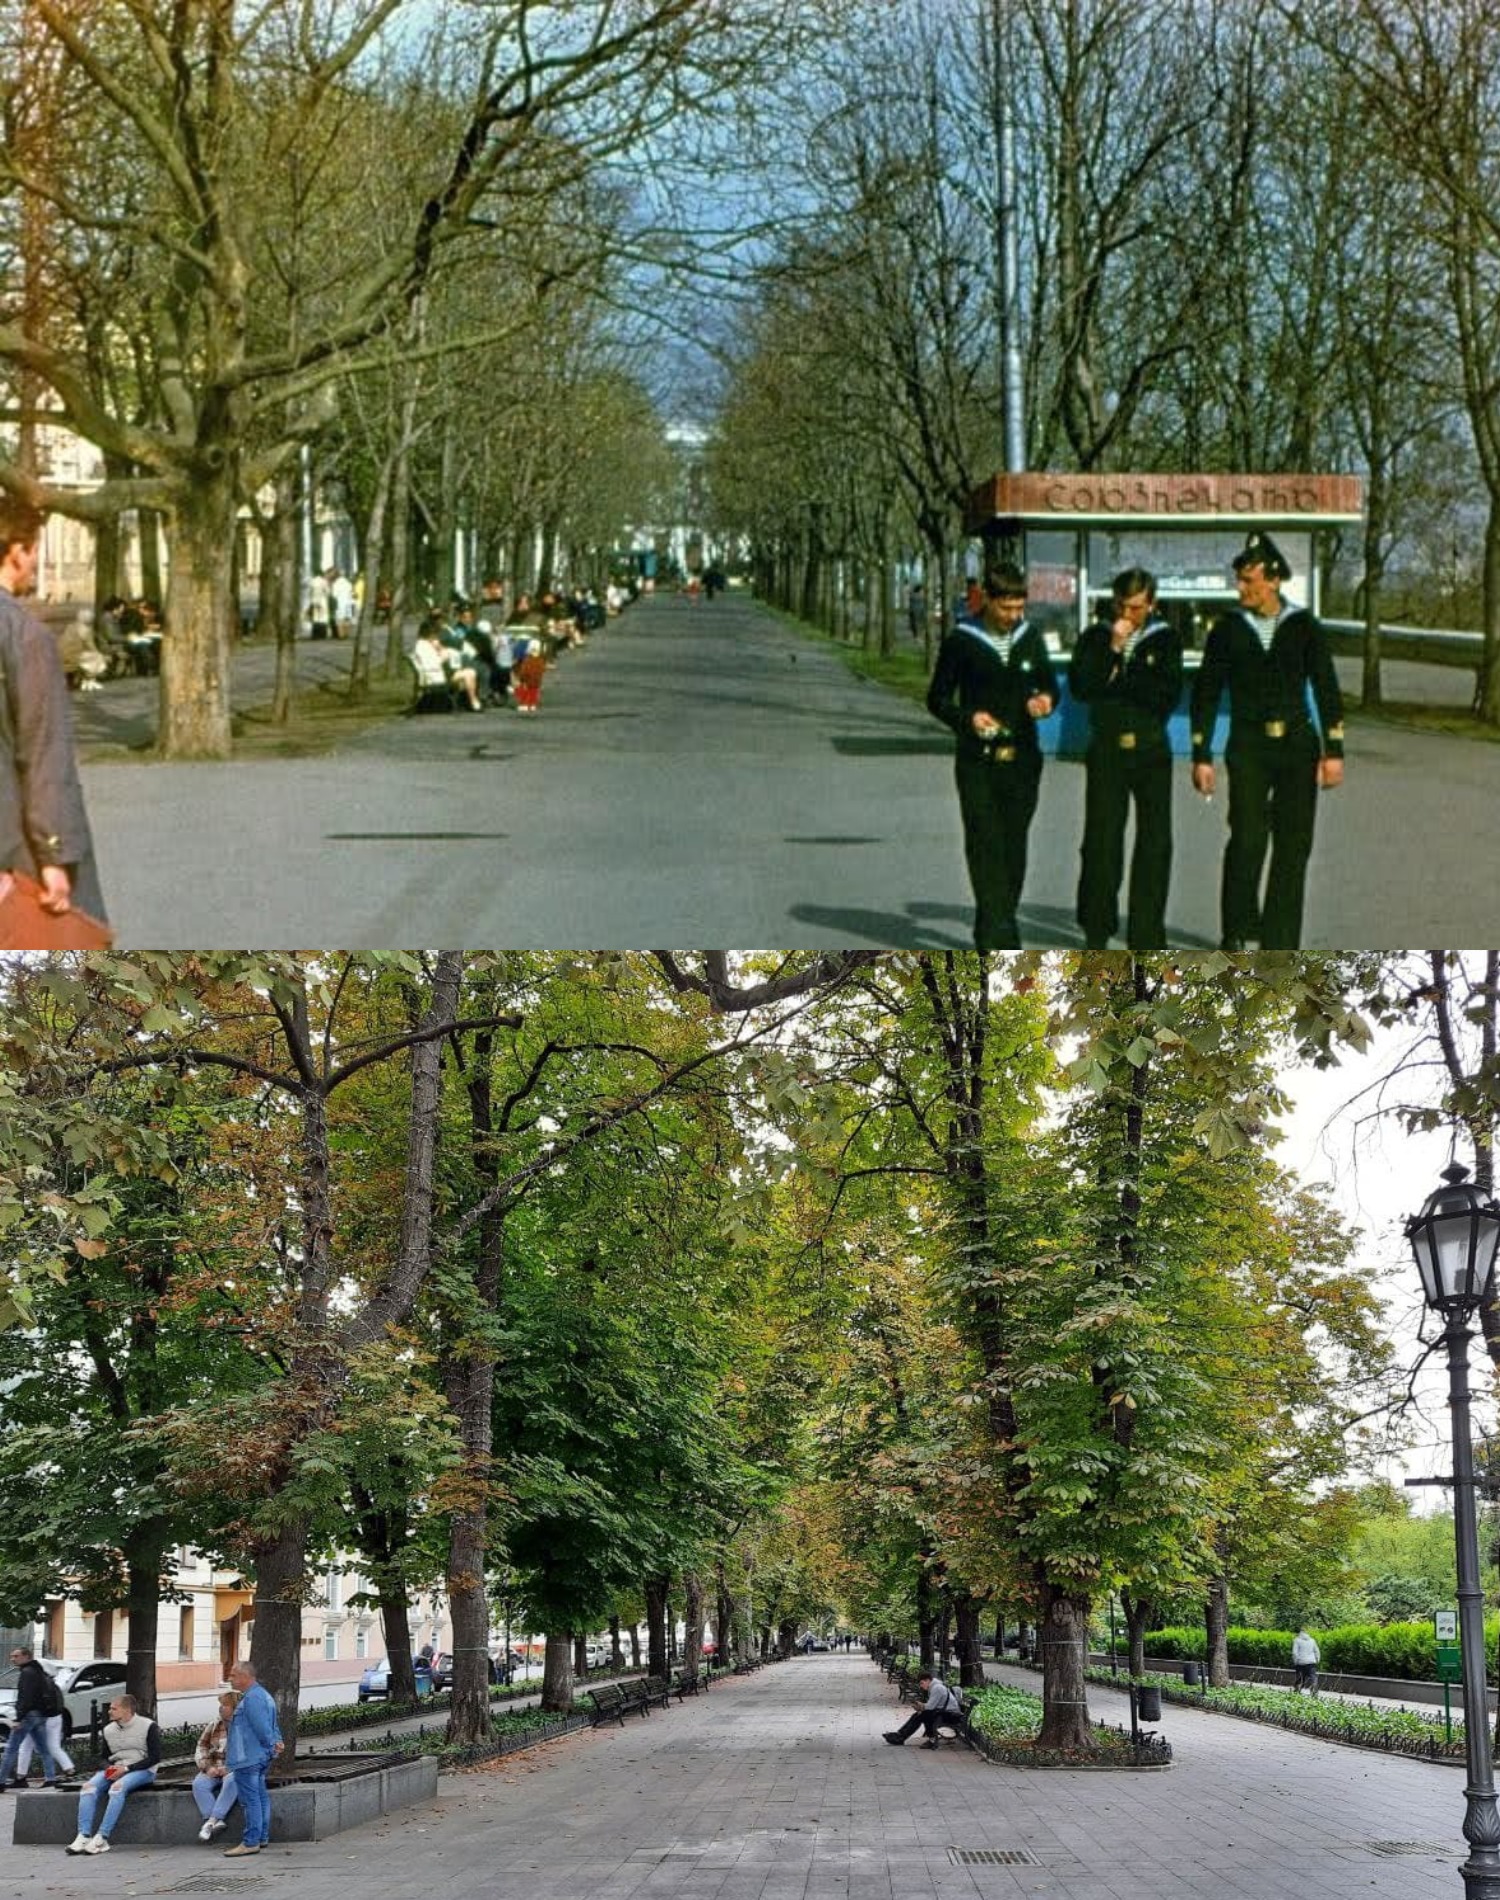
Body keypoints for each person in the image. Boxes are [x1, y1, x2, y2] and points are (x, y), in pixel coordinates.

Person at [1189, 530, 1344, 949]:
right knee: (1248, 839)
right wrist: (1201, 754)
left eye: (1249, 581)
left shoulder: (1303, 626)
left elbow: (1326, 688)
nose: (1242, 589)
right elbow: (1205, 692)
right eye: (1239, 581)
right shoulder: (1227, 630)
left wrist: (1334, 751)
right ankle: (1237, 930)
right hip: (1249, 749)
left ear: (1273, 581)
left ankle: (1280, 941)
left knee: (1293, 847)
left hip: (1296, 747)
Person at [926, 562, 1057, 949]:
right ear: (987, 599)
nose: (1014, 617)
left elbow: (1048, 684)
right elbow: (937, 699)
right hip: (977, 761)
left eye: (1020, 609)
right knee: (985, 843)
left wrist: (1046, 700)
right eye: (1006, 609)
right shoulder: (961, 640)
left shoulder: (1030, 637)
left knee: (1014, 843)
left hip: (1022, 760)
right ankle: (997, 933)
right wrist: (968, 718)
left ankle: (1001, 919)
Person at [0, 501, 108, 925]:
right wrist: (55, 855)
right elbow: (44, 752)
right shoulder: (25, 636)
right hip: (14, 848)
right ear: (18, 551)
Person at [1070, 566, 1183, 950]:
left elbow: (1164, 694)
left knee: (1155, 843)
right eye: (1122, 606)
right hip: (1107, 750)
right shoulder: (1096, 637)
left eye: (1135, 608)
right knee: (1101, 841)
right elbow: (1082, 686)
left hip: (1151, 751)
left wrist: (1118, 682)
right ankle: (1097, 927)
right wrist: (1113, 652)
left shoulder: (1166, 640)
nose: (1127, 615)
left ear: (1151, 604)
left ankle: (1147, 933)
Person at [65, 1693, 161, 1854]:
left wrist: (126, 1769)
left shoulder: (148, 1726)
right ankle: (84, 1835)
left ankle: (102, 1837)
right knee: (88, 1788)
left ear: (127, 1710)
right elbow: (103, 1758)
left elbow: (155, 1757)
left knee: (117, 1788)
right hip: (116, 1768)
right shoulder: (109, 1730)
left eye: (114, 1708)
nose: (109, 1711)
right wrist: (109, 1768)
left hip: (142, 1770)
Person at [222, 1659, 282, 1857]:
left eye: (233, 1675)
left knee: (250, 1800)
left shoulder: (252, 1699)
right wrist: (275, 1744)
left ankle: (251, 1841)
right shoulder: (262, 1695)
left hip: (249, 1757)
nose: (229, 1678)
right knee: (260, 1797)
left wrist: (270, 1745)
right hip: (258, 1756)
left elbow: (261, 1728)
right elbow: (271, 1726)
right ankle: (261, 1837)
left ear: (244, 1677)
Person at [0, 1645, 60, 1789]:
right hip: (40, 1715)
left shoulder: (27, 1673)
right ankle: (51, 1778)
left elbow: (25, 1698)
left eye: (16, 1656)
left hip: (28, 1716)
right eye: (12, 1656)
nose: (13, 1659)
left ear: (26, 1657)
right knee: (43, 1748)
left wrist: (18, 1719)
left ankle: (1, 1781)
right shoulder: (38, 1671)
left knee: (11, 1749)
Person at [192, 1690, 241, 1843]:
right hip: (214, 1766)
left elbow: (248, 1753)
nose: (221, 1708)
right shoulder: (214, 1724)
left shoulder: (244, 1726)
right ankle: (215, 1821)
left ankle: (211, 1821)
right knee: (199, 1784)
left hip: (233, 1769)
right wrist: (207, 1767)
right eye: (220, 1705)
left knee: (232, 1780)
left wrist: (230, 1768)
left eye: (225, 1705)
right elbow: (202, 1746)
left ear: (235, 1707)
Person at [883, 1670, 964, 1749]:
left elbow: (930, 1707)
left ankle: (928, 1739)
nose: (921, 1686)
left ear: (928, 1680)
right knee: (919, 1714)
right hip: (945, 1713)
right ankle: (900, 1735)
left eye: (922, 1683)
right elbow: (932, 1706)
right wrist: (921, 1707)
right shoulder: (935, 1686)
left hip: (951, 1715)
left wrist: (921, 1706)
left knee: (923, 1715)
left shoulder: (937, 1688)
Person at [1291, 1627, 1320, 1693]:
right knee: (1313, 1678)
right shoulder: (1312, 1640)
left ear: (1298, 1633)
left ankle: (1297, 1691)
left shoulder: (1297, 1640)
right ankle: (1314, 1692)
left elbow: (1294, 1653)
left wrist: (1295, 1661)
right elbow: (1317, 1651)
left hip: (1300, 1662)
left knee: (1300, 1678)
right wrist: (1317, 1660)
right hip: (1311, 1663)